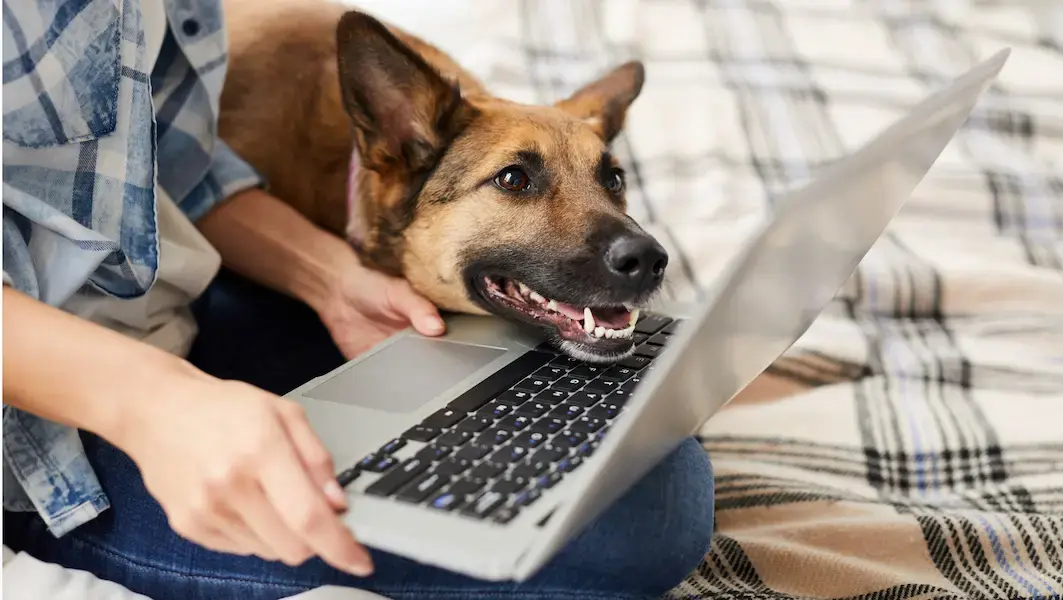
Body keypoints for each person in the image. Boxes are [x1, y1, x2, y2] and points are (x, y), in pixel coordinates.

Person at [0, 0, 716, 598]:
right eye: (515, 182)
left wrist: (329, 281)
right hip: (40, 438)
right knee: (634, 532)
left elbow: (168, 165)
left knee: (645, 464)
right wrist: (152, 404)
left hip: (174, 308)